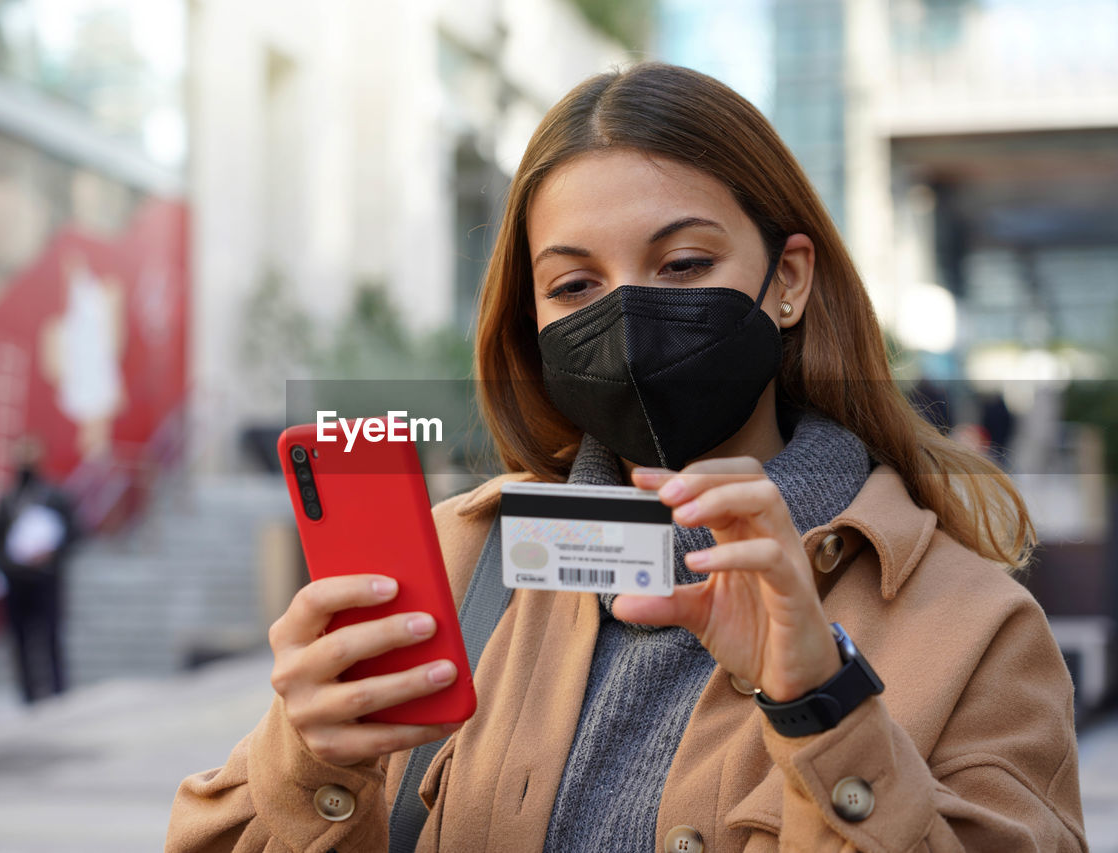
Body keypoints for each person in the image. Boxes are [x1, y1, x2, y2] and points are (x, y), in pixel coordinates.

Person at [165, 64, 1085, 851]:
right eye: (575, 285)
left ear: (789, 280)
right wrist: (310, 760)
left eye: (683, 263)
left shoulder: (975, 630)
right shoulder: (449, 562)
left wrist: (821, 705)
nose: (629, 316)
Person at [0, 435, 77, 705]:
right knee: (20, 642)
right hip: (17, 581)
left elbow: (73, 533)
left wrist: (50, 554)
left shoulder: (54, 496)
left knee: (50, 638)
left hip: (46, 579)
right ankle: (28, 694)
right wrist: (10, 562)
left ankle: (58, 691)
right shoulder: (7, 499)